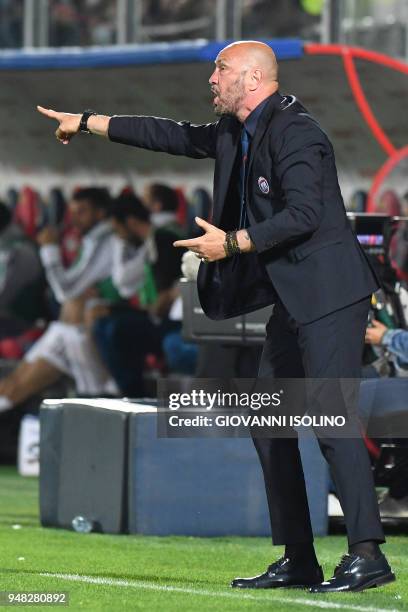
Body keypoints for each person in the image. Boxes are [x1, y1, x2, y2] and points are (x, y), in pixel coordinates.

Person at [36, 40, 395, 593]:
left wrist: (233, 242)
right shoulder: (235, 130)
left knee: (327, 416)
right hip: (294, 298)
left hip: (331, 295)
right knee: (268, 420)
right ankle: (299, 556)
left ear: (252, 78)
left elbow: (305, 213)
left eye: (220, 69)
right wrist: (87, 122)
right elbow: (172, 135)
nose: (211, 78)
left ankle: (367, 555)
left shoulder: (298, 132)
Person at [0, 188, 119, 410]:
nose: (73, 218)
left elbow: (65, 291)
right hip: (63, 329)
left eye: (82, 211)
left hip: (79, 334)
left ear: (101, 213)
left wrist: (50, 249)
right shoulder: (90, 241)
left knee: (96, 400)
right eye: (72, 212)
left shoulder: (107, 241)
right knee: (9, 387)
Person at [87, 192, 185, 396]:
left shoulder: (164, 238)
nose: (119, 237)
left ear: (130, 222)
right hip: (157, 316)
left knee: (116, 329)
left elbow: (167, 294)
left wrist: (156, 304)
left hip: (173, 321)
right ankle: (125, 390)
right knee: (102, 322)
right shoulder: (149, 244)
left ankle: (133, 393)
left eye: (118, 229)